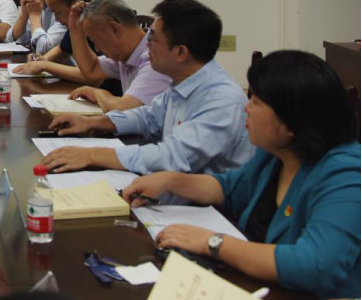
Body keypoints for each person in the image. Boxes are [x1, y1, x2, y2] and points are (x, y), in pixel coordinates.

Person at [123, 50, 360, 299]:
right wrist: (171, 181)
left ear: (292, 119)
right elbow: (228, 189)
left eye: (256, 101)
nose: (247, 108)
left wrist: (214, 243)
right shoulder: (275, 154)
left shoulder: (346, 173)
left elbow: (316, 266)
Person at [41, 0, 254, 175]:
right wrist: (93, 122)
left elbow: (172, 156)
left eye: (152, 39)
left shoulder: (221, 101)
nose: (146, 45)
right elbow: (148, 117)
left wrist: (91, 155)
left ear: (180, 52)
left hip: (212, 208)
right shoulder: (182, 83)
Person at [62, 0, 171, 111]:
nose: (97, 49)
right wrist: (75, 30)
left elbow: (125, 109)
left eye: (95, 41)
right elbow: (91, 69)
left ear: (115, 29)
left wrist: (98, 93)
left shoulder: (154, 58)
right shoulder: (126, 53)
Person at [10, 0, 101, 85]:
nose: (57, 19)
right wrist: (43, 59)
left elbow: (93, 75)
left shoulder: (96, 26)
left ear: (74, 5)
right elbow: (62, 50)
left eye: (58, 13)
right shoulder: (75, 24)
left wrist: (46, 65)